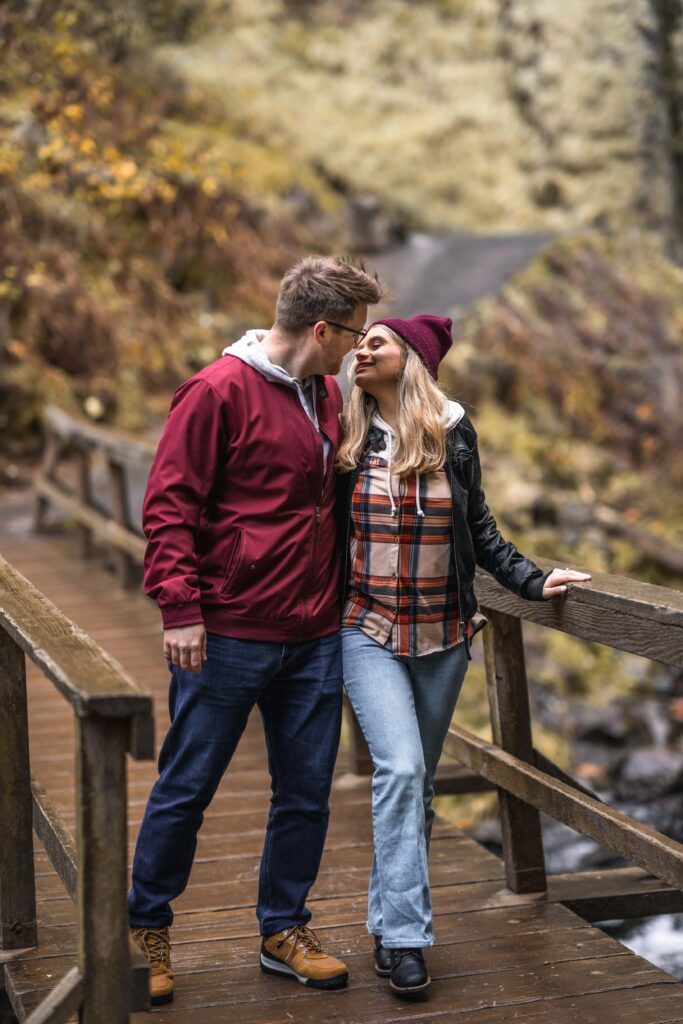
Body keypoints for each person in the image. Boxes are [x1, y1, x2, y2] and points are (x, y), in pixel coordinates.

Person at [128, 256, 385, 1005]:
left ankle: (283, 928)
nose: (358, 347)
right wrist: (180, 608)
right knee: (187, 785)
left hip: (312, 633)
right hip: (231, 632)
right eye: (353, 333)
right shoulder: (216, 391)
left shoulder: (326, 393)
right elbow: (169, 506)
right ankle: (145, 927)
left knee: (304, 793)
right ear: (320, 328)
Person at [336, 315, 591, 1000]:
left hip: (443, 636)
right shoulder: (347, 435)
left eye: (375, 342)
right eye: (357, 342)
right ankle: (408, 939)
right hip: (362, 630)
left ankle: (384, 924)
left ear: (411, 359)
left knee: (411, 789)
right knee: (402, 767)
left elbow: (477, 527)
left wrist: (533, 581)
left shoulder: (452, 434)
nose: (359, 349)